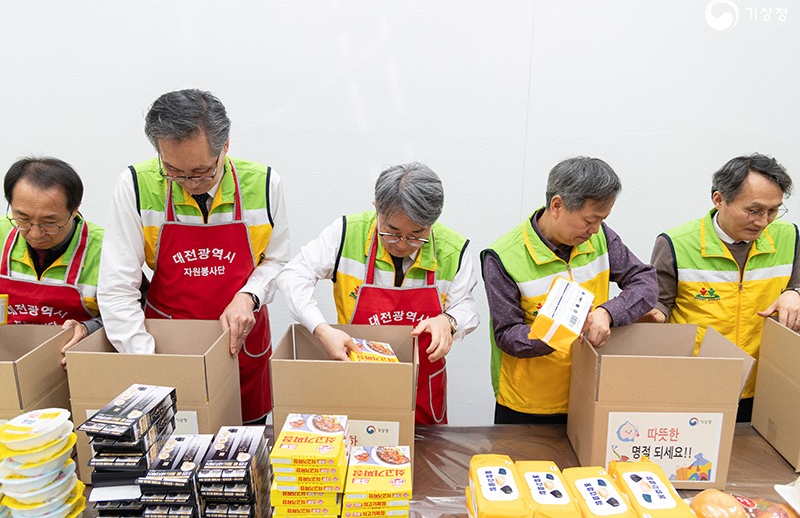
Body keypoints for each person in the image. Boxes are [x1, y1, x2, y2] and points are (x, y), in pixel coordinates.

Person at [97, 89, 290, 424]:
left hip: (240, 341)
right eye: (173, 171)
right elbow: (117, 287)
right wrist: (147, 359)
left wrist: (249, 296)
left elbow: (277, 261)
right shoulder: (136, 185)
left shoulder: (264, 183)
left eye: (202, 172)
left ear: (225, 146)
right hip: (167, 342)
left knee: (244, 450)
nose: (189, 183)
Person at [277, 162, 479, 424]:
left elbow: (466, 307)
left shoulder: (454, 249)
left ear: (432, 222)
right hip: (358, 378)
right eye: (392, 233)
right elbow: (293, 275)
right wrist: (321, 329)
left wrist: (449, 321)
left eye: (417, 235)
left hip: (422, 389)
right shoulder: (347, 233)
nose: (403, 245)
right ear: (377, 210)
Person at [481, 156, 657, 424]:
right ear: (557, 205)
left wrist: (607, 313)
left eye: (602, 219)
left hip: (589, 393)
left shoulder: (601, 237)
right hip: (530, 405)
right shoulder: (503, 257)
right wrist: (559, 331)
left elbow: (645, 281)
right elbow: (506, 334)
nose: (595, 229)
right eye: (590, 219)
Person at [645, 153, 799, 423]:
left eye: (773, 211)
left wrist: (795, 293)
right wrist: (650, 314)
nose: (763, 222)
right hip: (695, 388)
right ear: (719, 199)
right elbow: (661, 304)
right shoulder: (676, 243)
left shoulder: (789, 237)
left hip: (767, 387)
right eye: (753, 210)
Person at [1, 157, 104, 366]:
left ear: (74, 210)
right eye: (23, 219)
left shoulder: (105, 250)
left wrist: (88, 328)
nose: (35, 233)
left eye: (50, 223)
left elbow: (133, 314)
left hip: (71, 364)